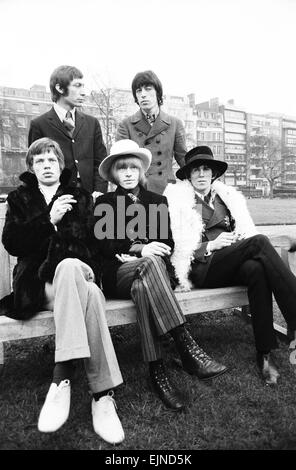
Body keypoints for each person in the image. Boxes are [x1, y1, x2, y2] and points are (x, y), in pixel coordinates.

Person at [0, 138, 124, 444]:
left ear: (61, 165)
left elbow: (99, 243)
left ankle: (62, 380)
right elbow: (13, 243)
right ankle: (102, 395)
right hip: (39, 284)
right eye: (39, 161)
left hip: (81, 273)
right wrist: (49, 220)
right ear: (31, 167)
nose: (46, 166)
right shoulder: (19, 198)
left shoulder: (80, 197)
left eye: (51, 160)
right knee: (90, 293)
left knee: (72, 268)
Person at [94, 139, 227, 411]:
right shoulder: (104, 203)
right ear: (114, 174)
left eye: (133, 167)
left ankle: (158, 371)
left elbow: (167, 243)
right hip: (117, 276)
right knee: (150, 261)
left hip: (149, 277)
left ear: (141, 171)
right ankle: (185, 344)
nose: (128, 173)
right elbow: (103, 246)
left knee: (148, 276)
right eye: (122, 169)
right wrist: (140, 248)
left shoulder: (157, 201)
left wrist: (144, 252)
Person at [164, 145, 296, 386]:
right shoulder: (176, 201)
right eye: (196, 170)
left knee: (256, 269)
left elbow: (243, 230)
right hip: (200, 267)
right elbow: (174, 246)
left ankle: (265, 353)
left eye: (206, 169)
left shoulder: (227, 197)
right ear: (189, 176)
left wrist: (235, 240)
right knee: (258, 243)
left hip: (231, 262)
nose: (202, 174)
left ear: (213, 174)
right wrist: (211, 246)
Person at [28, 65, 107, 197]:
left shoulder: (92, 123)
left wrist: (99, 192)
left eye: (83, 86)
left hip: (90, 197)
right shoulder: (39, 125)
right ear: (59, 88)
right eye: (77, 85)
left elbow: (100, 162)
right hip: (56, 199)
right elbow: (35, 165)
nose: (83, 92)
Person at [115, 70, 187, 195]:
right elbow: (120, 164)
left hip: (166, 192)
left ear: (158, 93)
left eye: (148, 89)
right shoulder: (125, 125)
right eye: (138, 91)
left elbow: (183, 160)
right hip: (136, 192)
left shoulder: (175, 124)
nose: (143, 94)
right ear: (136, 97)